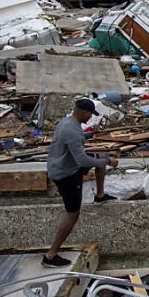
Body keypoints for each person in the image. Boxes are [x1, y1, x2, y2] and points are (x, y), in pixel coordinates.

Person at [42, 99, 118, 268]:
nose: (91, 117)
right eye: (90, 114)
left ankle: (100, 195)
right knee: (72, 214)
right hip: (65, 174)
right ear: (83, 111)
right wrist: (108, 162)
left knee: (99, 157)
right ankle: (50, 255)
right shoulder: (72, 130)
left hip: (63, 165)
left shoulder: (67, 122)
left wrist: (92, 135)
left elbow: (76, 140)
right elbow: (82, 160)